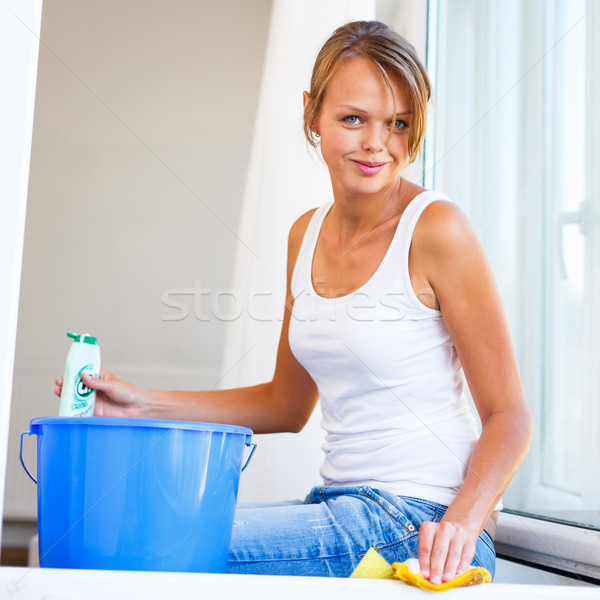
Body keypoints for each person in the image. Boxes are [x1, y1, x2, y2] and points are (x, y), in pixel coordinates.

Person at [55, 20, 531, 582]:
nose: (377, 144)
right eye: (353, 119)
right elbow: (286, 404)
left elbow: (509, 416)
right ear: (313, 114)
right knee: (121, 525)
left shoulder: (437, 229)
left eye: (398, 124)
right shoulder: (304, 234)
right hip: (337, 504)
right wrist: (141, 404)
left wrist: (463, 523)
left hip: (418, 517)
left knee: (150, 541)